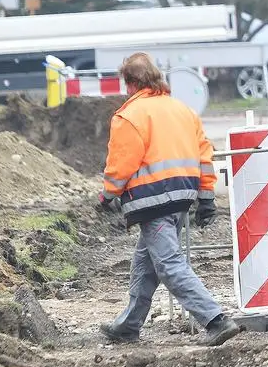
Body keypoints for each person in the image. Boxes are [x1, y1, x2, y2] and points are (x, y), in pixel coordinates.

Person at [98, 53, 241, 347]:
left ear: (131, 83)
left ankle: (216, 320)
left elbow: (122, 163)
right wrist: (206, 198)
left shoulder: (129, 116)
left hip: (153, 201)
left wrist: (107, 194)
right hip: (182, 197)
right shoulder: (183, 110)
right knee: (145, 263)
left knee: (168, 265)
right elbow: (204, 156)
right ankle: (128, 325)